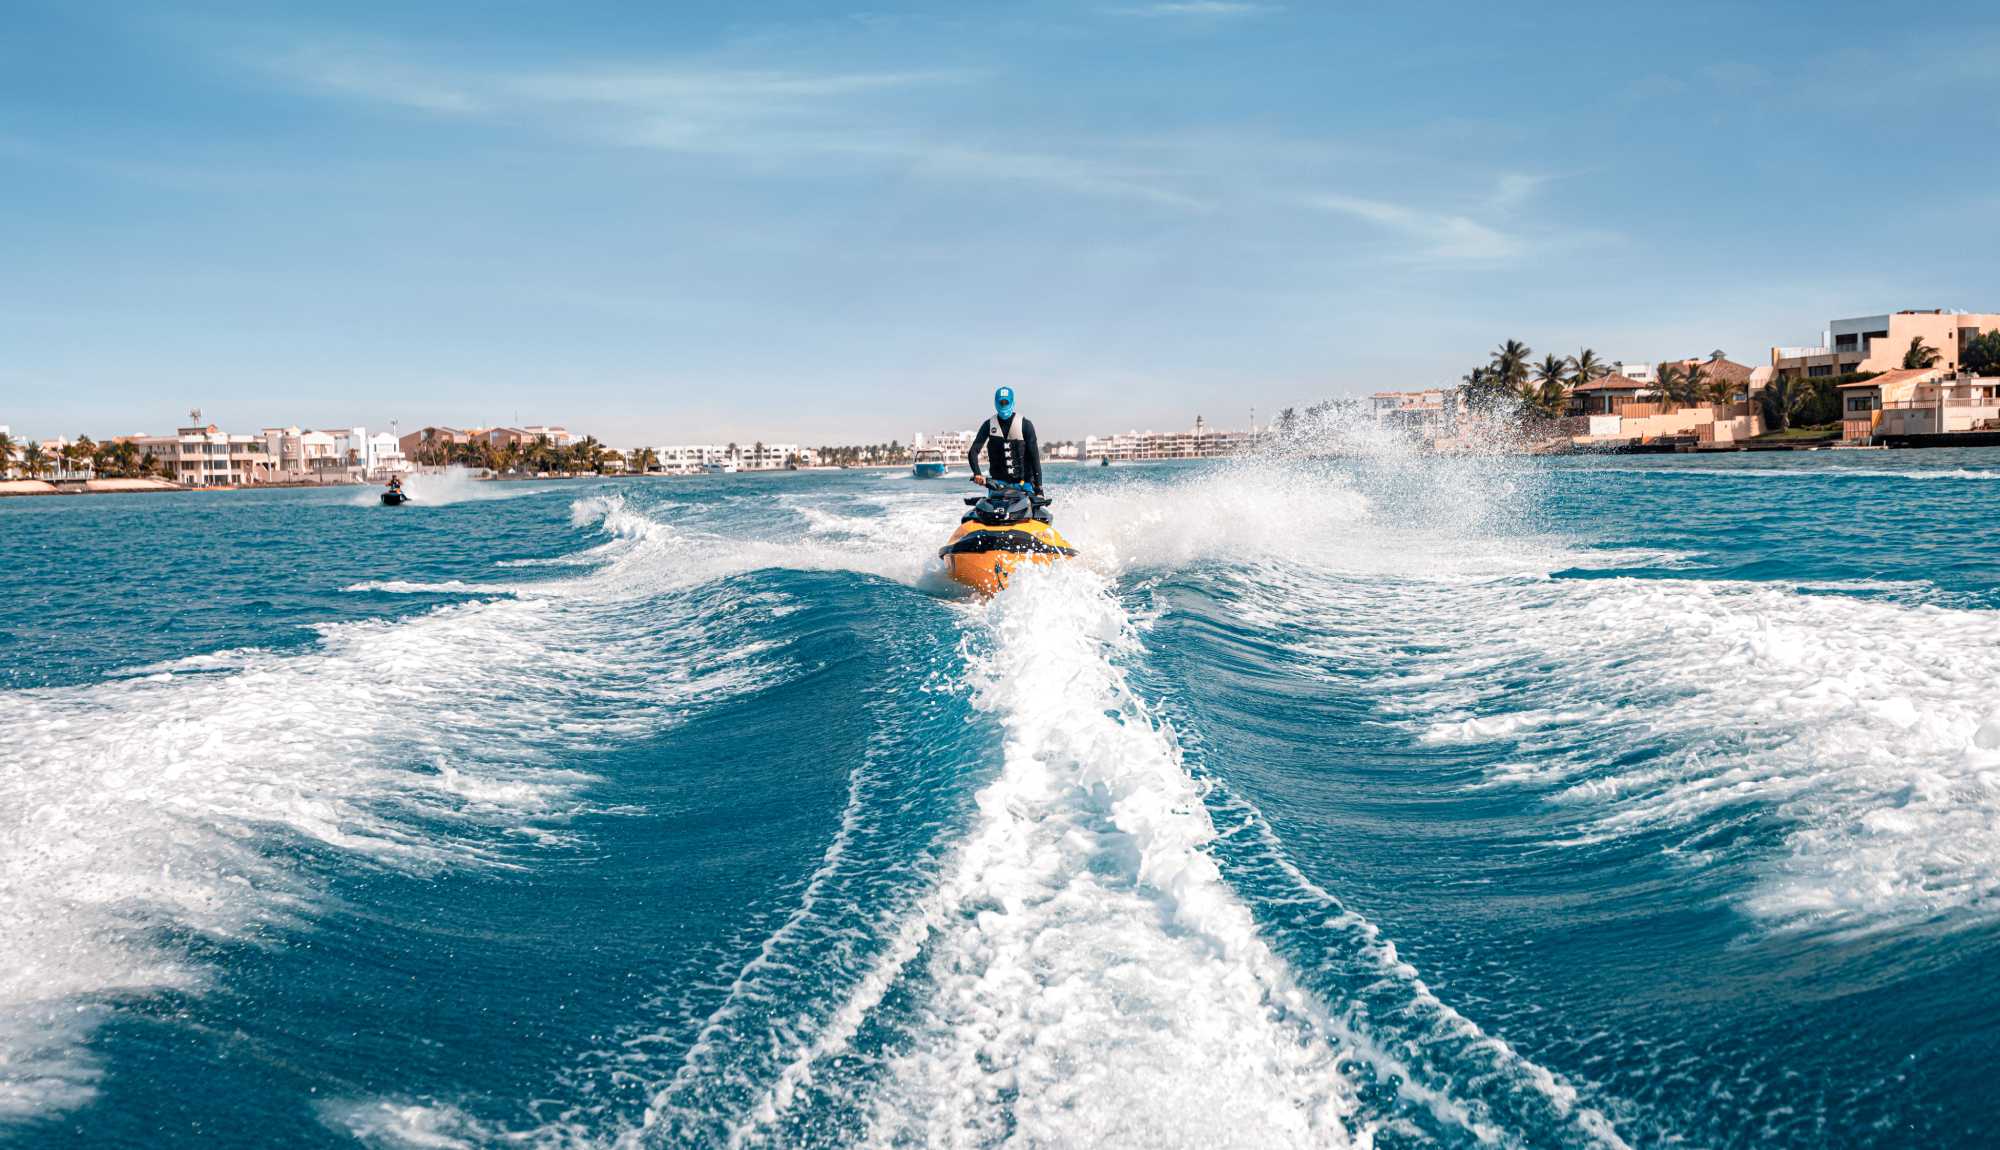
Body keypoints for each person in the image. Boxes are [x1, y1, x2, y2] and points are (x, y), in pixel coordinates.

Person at [966, 386, 1043, 494]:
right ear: (996, 403)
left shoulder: (1025, 424)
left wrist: (1039, 487)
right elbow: (973, 451)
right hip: (997, 485)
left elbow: (1034, 457)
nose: (1003, 405)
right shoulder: (988, 425)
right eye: (1000, 402)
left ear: (1012, 402)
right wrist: (977, 474)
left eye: (1006, 402)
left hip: (1023, 484)